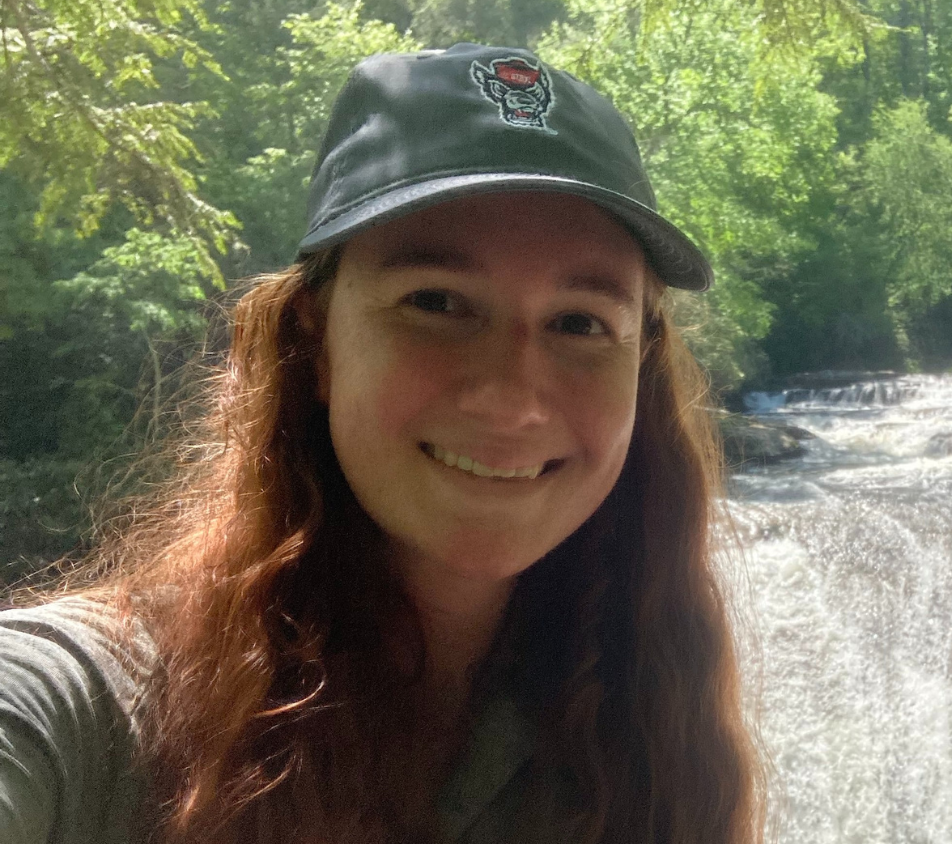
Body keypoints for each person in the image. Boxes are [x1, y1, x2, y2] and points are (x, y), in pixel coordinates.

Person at [0, 43, 762, 843]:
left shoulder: (645, 721)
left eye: (580, 322)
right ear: (315, 342)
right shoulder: (87, 717)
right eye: (436, 302)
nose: (511, 394)